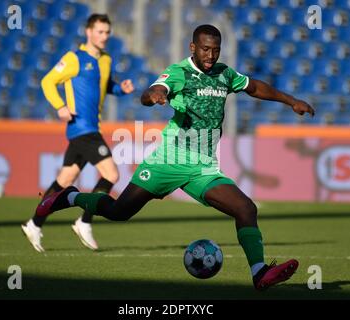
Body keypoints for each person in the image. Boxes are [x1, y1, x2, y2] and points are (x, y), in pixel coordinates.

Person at [30, 25, 314, 290]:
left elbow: (253, 87)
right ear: (193, 47)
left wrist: (292, 102)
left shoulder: (225, 74)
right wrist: (154, 94)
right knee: (119, 212)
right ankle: (67, 197)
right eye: (205, 49)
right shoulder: (180, 72)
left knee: (246, 209)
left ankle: (259, 273)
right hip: (167, 160)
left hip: (203, 166)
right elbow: (154, 90)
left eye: (215, 50)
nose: (210, 55)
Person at [21, 14, 134, 253]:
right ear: (88, 32)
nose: (104, 37)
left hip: (90, 129)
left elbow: (104, 85)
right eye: (100, 32)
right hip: (82, 129)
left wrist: (120, 89)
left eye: (107, 32)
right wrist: (60, 107)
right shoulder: (74, 58)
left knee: (64, 181)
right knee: (111, 174)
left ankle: (34, 223)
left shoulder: (105, 60)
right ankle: (84, 221)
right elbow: (47, 81)